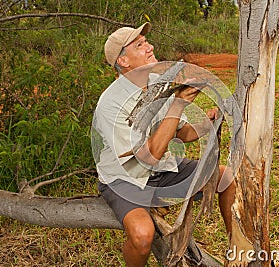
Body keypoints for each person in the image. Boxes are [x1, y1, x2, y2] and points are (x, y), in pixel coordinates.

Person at [92, 22, 236, 266]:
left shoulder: (158, 82)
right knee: (142, 236)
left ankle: (238, 248)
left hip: (160, 170)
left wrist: (209, 122)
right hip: (124, 178)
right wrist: (177, 104)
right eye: (140, 45)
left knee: (227, 178)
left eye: (146, 42)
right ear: (124, 62)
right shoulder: (111, 104)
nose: (150, 47)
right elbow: (146, 158)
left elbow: (182, 133)